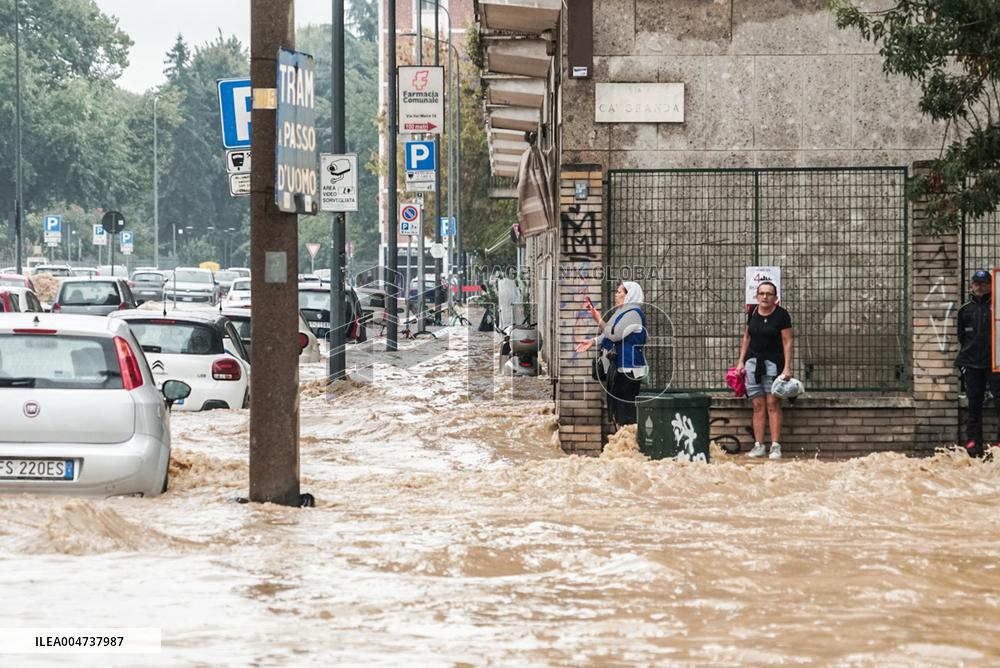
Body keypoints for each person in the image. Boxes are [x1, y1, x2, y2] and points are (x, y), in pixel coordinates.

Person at [575, 281, 648, 429]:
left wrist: (598, 320)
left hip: (629, 370)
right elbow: (609, 333)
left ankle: (628, 446)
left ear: (630, 295)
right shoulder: (621, 312)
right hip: (619, 368)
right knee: (618, 412)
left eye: (620, 292)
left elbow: (614, 334)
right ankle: (621, 445)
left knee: (625, 413)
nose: (616, 294)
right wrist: (593, 341)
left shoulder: (633, 313)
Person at [735, 280, 793, 460]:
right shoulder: (752, 312)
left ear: (776, 297)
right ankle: (759, 445)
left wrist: (787, 367)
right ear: (757, 296)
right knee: (757, 405)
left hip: (774, 364)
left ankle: (775, 446)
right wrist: (741, 362)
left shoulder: (782, 315)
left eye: (769, 294)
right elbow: (747, 337)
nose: (765, 297)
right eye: (762, 293)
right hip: (753, 364)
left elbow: (787, 341)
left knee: (772, 404)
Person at [955, 269, 1000, 458]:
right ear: (971, 285)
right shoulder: (965, 309)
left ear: (991, 285)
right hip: (972, 365)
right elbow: (962, 337)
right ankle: (974, 445)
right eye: (976, 283)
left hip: (995, 365)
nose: (979, 287)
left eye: (983, 283)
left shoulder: (997, 307)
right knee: (974, 406)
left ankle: (998, 445)